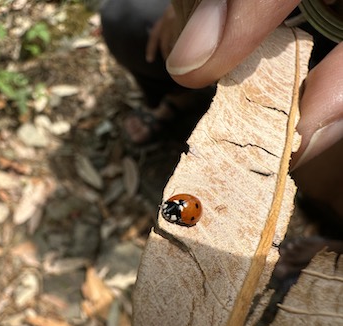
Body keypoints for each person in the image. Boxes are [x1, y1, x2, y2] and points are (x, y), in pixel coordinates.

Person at [101, 0, 343, 231]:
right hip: (274, 25)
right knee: (127, 16)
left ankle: (323, 220)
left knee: (316, 167)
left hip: (317, 58)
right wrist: (191, 8)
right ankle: (179, 98)